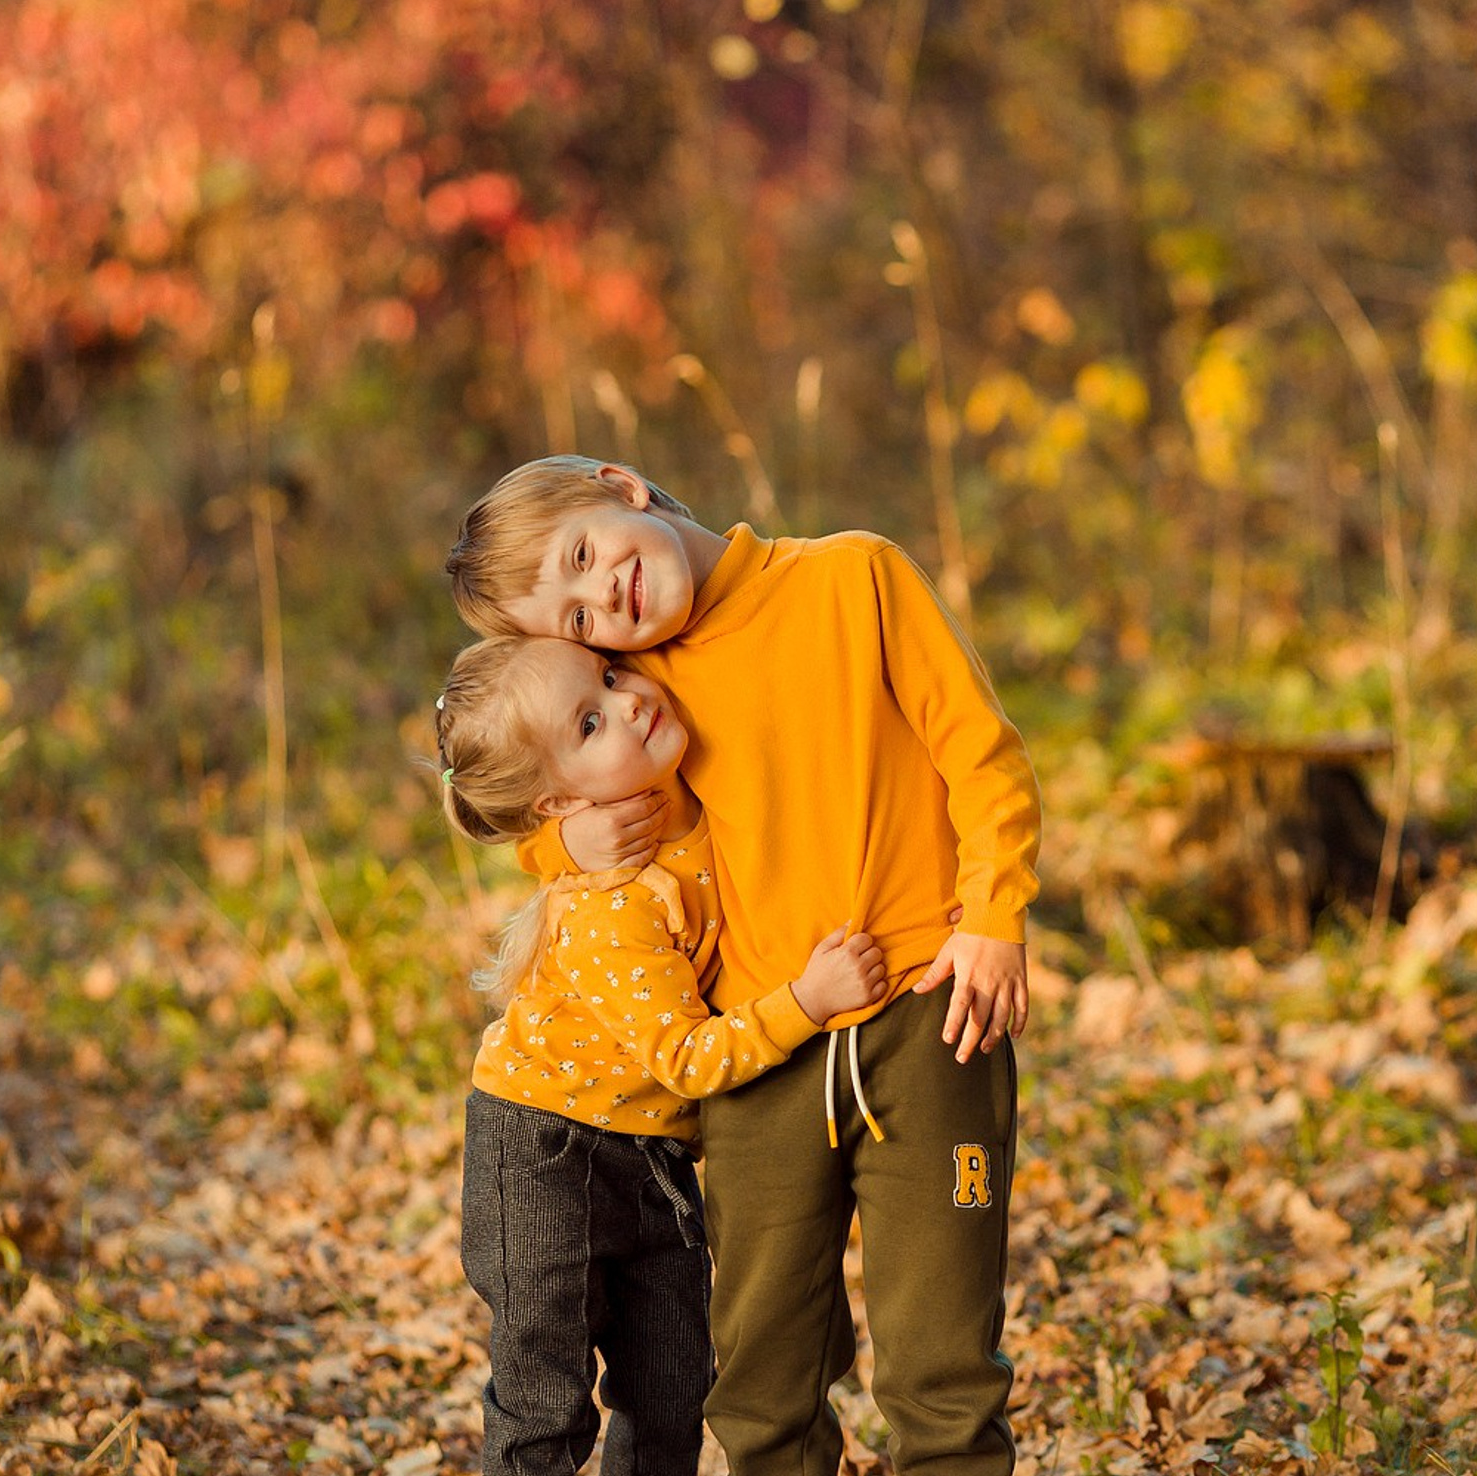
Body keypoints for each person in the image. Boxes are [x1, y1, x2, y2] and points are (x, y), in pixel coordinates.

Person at [446, 457, 1041, 1476]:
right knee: (762, 1375)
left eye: (583, 555)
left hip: (933, 1010)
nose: (607, 600)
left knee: (940, 1361)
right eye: (580, 621)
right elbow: (554, 796)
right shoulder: (642, 691)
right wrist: (563, 851)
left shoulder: (855, 579)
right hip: (764, 1050)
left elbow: (980, 755)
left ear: (621, 483)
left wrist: (994, 914)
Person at [435, 630, 889, 1476]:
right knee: (546, 1400)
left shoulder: (679, 786)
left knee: (673, 1389)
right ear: (559, 804)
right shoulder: (612, 905)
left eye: (609, 677)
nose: (629, 700)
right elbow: (686, 1058)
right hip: (543, 1147)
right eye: (589, 723)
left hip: (653, 1152)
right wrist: (806, 1002)